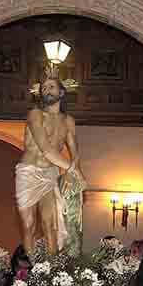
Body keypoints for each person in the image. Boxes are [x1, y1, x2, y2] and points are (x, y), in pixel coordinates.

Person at [17, 76, 86, 254]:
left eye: (51, 87)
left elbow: (75, 152)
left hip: (50, 173)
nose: (47, 90)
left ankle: (51, 273)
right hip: (29, 171)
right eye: (44, 88)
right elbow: (45, 148)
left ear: (61, 92)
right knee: (28, 224)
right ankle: (33, 274)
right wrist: (73, 170)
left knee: (51, 225)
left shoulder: (68, 121)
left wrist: (75, 173)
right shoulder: (35, 114)